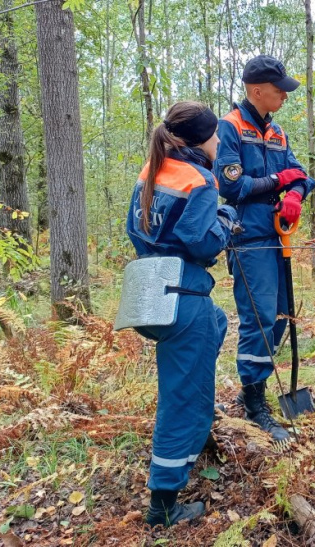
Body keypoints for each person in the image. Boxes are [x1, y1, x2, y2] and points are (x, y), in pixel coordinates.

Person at [125, 101, 237, 527]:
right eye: (215, 135)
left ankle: (197, 421)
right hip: (181, 296)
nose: (219, 141)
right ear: (202, 139)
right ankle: (164, 505)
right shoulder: (201, 180)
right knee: (182, 401)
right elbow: (203, 242)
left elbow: (134, 230)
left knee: (217, 324)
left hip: (148, 296)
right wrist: (226, 218)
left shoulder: (151, 171)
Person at [214, 55, 315, 444]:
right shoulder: (230, 128)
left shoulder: (277, 133)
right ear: (257, 91)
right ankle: (256, 403)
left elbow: (303, 175)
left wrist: (293, 192)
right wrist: (277, 179)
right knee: (258, 320)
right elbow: (232, 188)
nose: (285, 96)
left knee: (280, 318)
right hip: (248, 240)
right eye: (279, 90)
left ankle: (249, 387)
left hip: (279, 238)